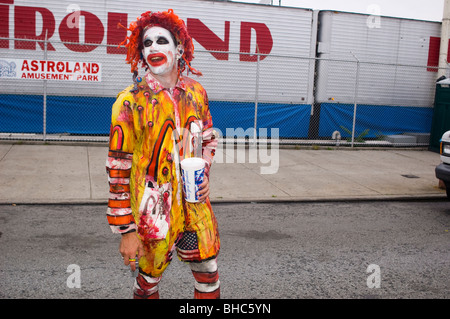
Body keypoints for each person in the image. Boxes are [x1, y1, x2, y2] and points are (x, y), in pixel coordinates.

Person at [105, 9, 220, 299]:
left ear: (179, 48)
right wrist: (126, 230)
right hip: (152, 212)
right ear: (141, 54)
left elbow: (207, 139)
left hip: (195, 208)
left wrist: (204, 171)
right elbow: (118, 169)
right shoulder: (129, 102)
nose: (153, 47)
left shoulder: (196, 93)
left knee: (208, 272)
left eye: (161, 40)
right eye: (146, 43)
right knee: (148, 282)